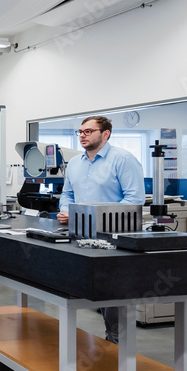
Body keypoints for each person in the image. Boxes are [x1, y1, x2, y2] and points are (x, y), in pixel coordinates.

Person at [57, 115, 145, 344]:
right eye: (81, 132)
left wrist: (92, 216)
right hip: (80, 234)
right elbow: (67, 194)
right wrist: (67, 210)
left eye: (88, 131)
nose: (83, 135)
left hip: (113, 237)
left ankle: (117, 344)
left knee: (112, 293)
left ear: (105, 134)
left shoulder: (123, 159)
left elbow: (134, 200)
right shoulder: (76, 163)